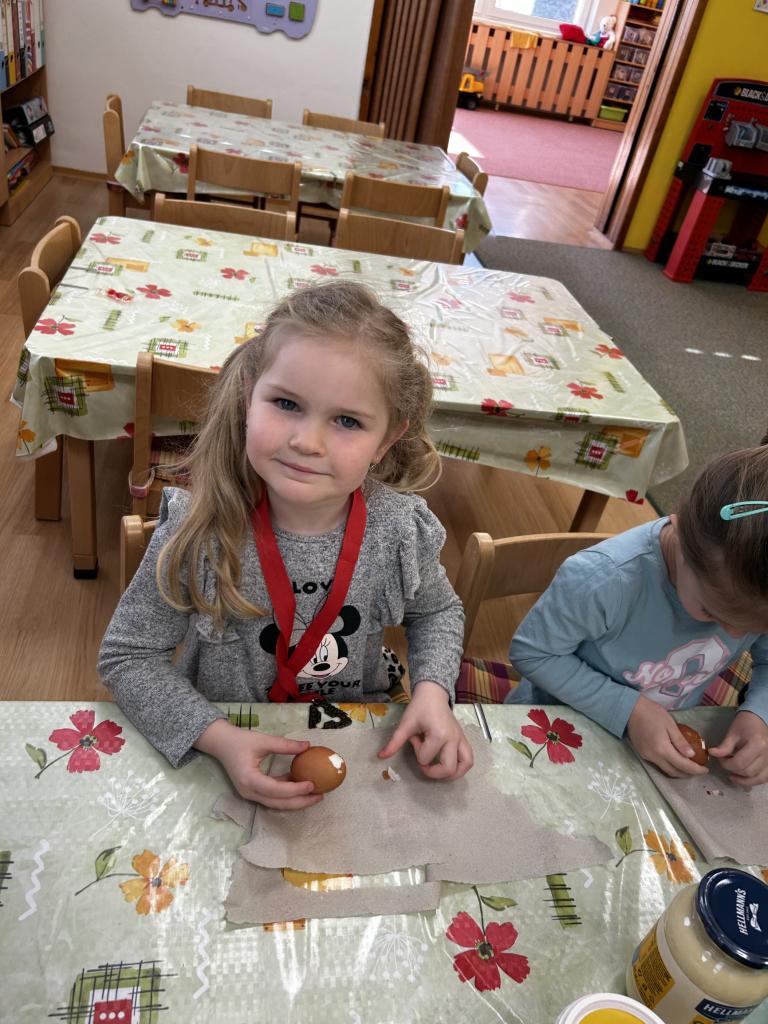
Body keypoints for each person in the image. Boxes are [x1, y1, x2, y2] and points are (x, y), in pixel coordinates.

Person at [99, 281, 473, 809]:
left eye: (347, 421)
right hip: (217, 737)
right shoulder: (198, 528)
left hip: (355, 734)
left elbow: (437, 612)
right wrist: (218, 739)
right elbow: (128, 656)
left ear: (387, 439)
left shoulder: (398, 528)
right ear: (249, 395)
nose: (306, 442)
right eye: (286, 404)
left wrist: (433, 690)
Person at [507, 440, 768, 787]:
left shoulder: (748, 590)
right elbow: (532, 652)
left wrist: (759, 714)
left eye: (752, 628)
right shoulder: (604, 580)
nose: (734, 635)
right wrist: (630, 709)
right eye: (710, 611)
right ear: (680, 534)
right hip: (555, 725)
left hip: (657, 744)